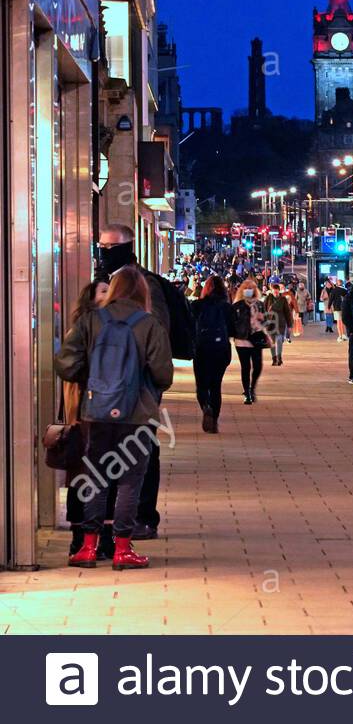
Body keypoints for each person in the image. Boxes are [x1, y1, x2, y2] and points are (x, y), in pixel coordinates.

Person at [55, 267, 173, 570]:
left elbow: (66, 364)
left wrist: (95, 379)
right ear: (142, 293)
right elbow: (163, 374)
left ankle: (88, 547)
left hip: (96, 412)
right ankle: (122, 549)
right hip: (137, 416)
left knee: (95, 478)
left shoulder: (90, 321)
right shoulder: (149, 324)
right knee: (130, 482)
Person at [96, 223, 192, 541]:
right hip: (107, 387)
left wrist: (154, 383)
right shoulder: (102, 281)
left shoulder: (144, 283)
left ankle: (142, 517)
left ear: (128, 246)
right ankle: (111, 519)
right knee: (107, 451)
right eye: (101, 246)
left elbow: (159, 335)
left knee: (141, 450)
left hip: (139, 387)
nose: (103, 253)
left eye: (110, 247)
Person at [64, 279, 114, 561]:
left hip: (102, 409)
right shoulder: (84, 328)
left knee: (103, 472)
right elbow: (68, 368)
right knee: (82, 474)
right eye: (103, 291)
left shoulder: (111, 325)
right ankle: (80, 537)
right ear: (91, 298)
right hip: (85, 411)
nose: (109, 294)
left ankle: (100, 538)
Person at [191, 276, 234, 434]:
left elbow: (189, 325)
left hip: (201, 348)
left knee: (201, 385)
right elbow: (233, 329)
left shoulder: (197, 305)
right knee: (216, 385)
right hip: (221, 349)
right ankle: (214, 420)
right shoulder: (226, 307)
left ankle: (205, 406)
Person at [231, 278, 268, 403]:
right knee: (245, 367)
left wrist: (262, 318)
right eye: (246, 288)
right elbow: (233, 322)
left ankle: (252, 388)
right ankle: (247, 392)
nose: (248, 291)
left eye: (251, 288)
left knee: (258, 366)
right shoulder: (237, 306)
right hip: (242, 339)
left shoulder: (259, 304)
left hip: (256, 338)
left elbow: (266, 321)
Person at [265, 281, 293, 367]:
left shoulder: (283, 299)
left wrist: (289, 325)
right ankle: (274, 359)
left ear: (279, 290)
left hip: (280, 322)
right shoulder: (268, 299)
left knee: (279, 340)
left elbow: (287, 312)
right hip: (270, 323)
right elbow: (264, 310)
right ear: (272, 290)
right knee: (272, 342)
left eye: (277, 290)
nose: (276, 292)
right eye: (274, 290)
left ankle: (279, 358)